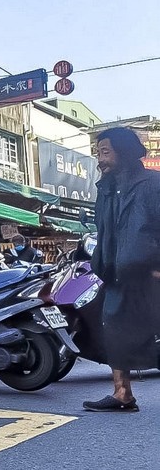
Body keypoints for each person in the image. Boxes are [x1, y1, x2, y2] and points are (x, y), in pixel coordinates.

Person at [84, 127, 160, 412]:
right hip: (117, 275)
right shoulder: (105, 190)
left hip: (151, 276)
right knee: (116, 333)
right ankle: (122, 394)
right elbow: (104, 232)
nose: (100, 159)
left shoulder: (153, 184)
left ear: (124, 152)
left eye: (105, 152)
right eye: (98, 153)